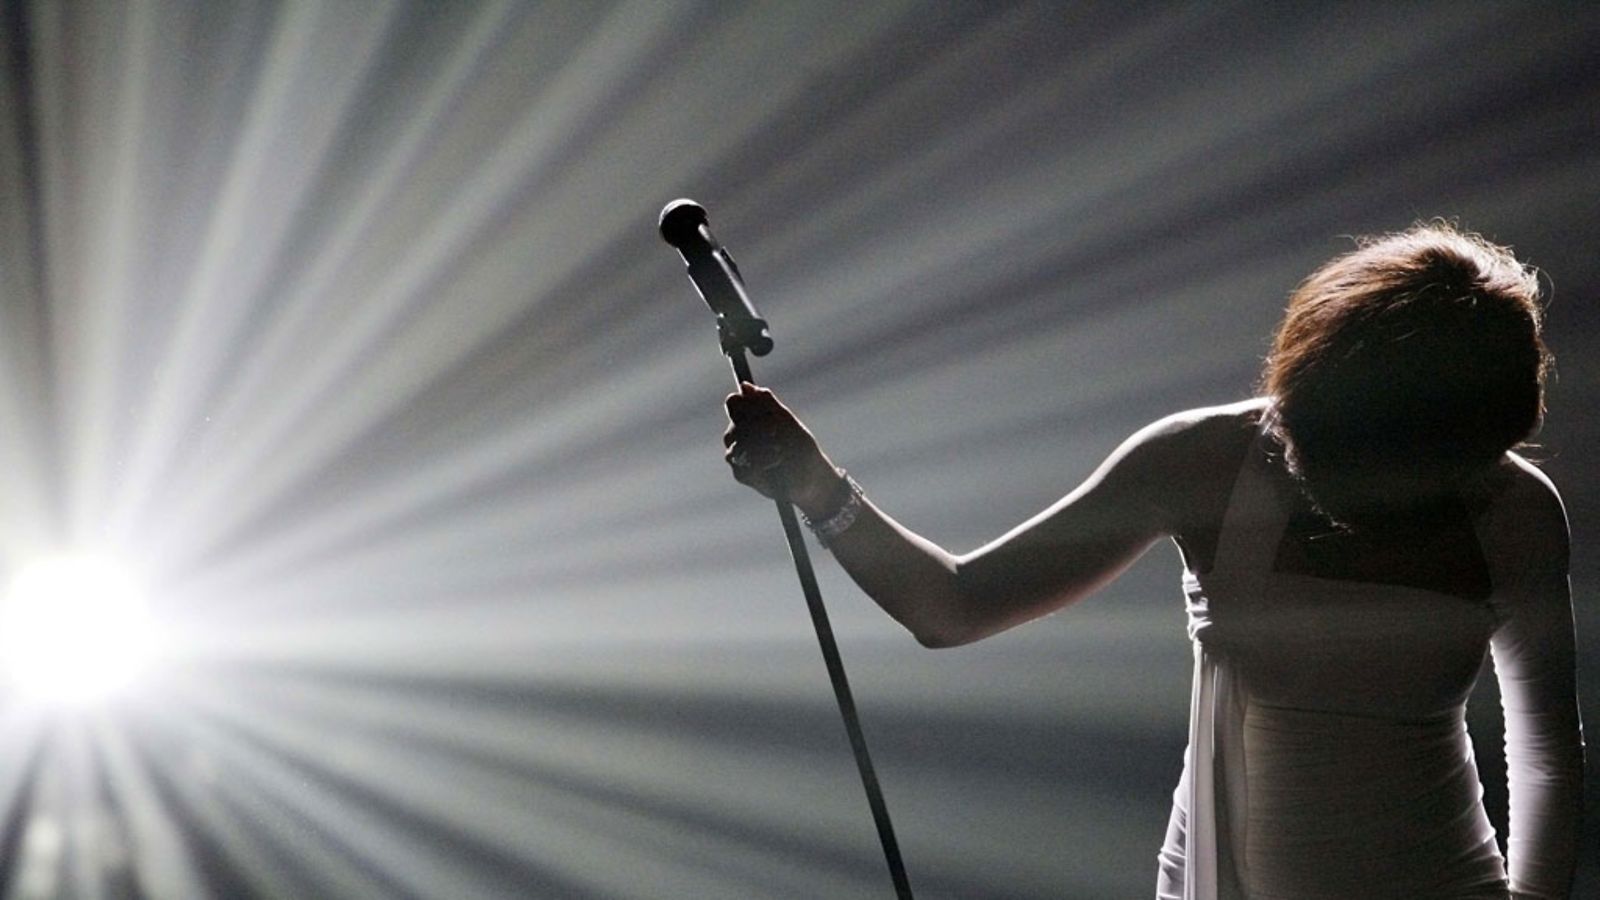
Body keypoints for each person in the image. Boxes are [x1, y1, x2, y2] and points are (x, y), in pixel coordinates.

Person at [720, 222, 1583, 899]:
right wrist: (819, 489)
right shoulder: (1203, 461)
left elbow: (1547, 752)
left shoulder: (1513, 510)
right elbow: (954, 605)